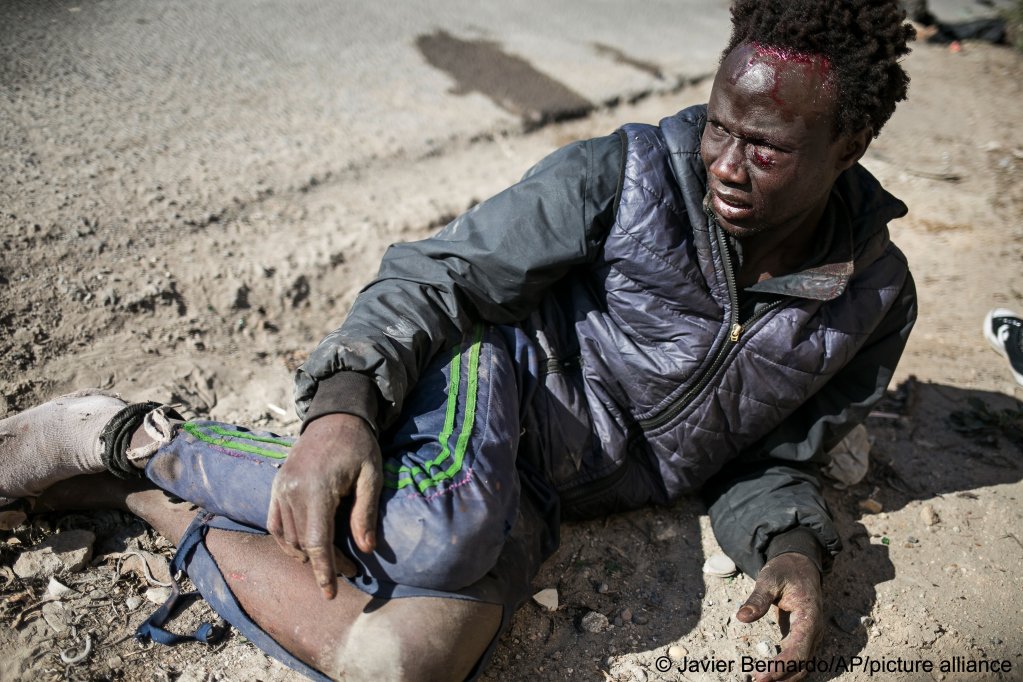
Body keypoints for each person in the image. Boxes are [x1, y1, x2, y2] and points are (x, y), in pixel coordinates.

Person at [0, 0, 917, 680]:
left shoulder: (871, 299)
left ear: (851, 141)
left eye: (763, 146)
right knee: (438, 532)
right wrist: (344, 410)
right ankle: (127, 434)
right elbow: (436, 276)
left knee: (405, 661)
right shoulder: (625, 172)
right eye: (718, 123)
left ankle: (148, 504)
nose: (722, 161)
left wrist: (790, 546)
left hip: (545, 493)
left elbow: (774, 459)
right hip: (497, 375)